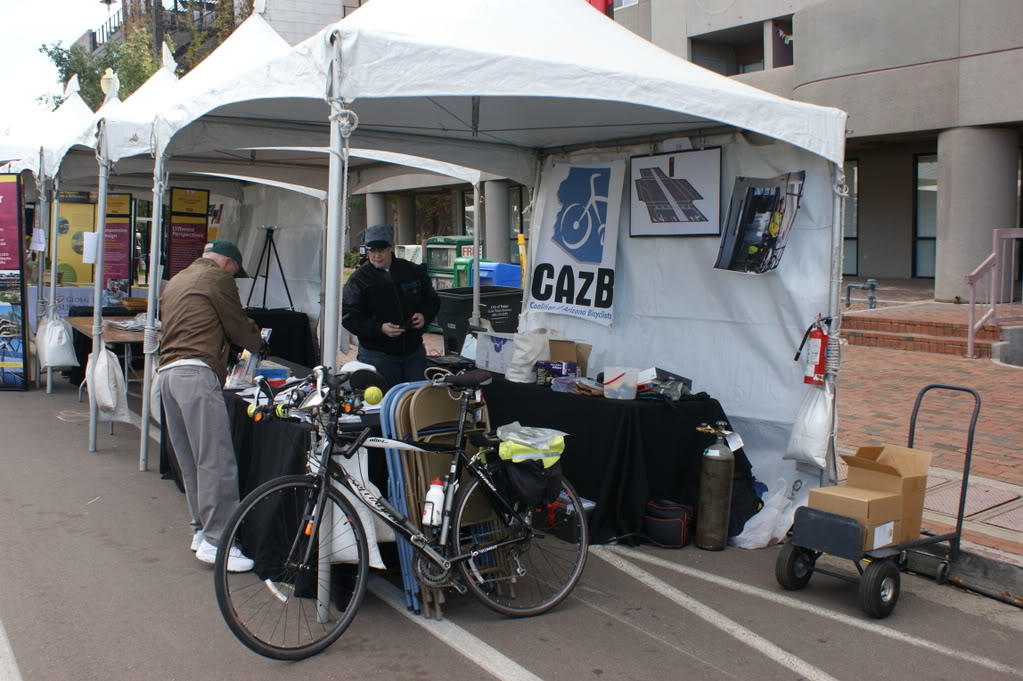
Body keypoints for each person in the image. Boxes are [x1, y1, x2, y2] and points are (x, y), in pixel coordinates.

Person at [158, 240, 268, 573]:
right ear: (227, 264)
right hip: (196, 373)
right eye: (236, 273)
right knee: (216, 461)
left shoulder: (177, 279)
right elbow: (237, 325)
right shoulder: (217, 279)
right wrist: (261, 344)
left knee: (190, 461)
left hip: (166, 376)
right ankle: (220, 542)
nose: (235, 280)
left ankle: (201, 530)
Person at [341, 224, 439, 389]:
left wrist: (424, 315)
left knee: (416, 398)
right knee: (384, 402)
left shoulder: (412, 271)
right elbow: (349, 316)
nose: (377, 256)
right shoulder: (358, 280)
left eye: (381, 251)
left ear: (390, 249)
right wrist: (379, 328)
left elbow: (432, 299)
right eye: (372, 251)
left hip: (413, 351)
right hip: (377, 354)